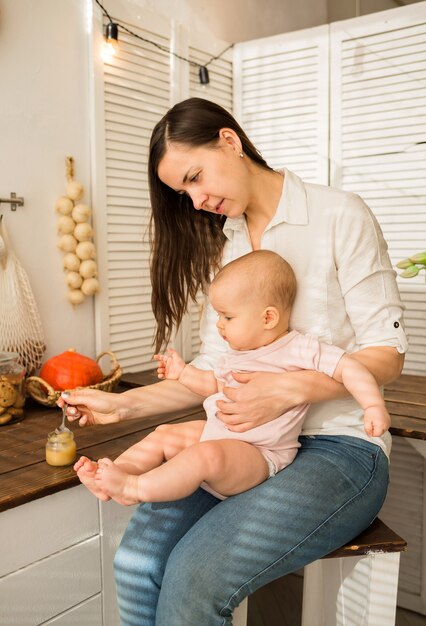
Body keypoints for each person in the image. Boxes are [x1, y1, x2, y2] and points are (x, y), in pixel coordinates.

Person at [60, 97, 407, 626]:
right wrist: (121, 406)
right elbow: (214, 369)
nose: (197, 201)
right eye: (185, 193)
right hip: (237, 441)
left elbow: (387, 353)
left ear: (229, 140)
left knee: (194, 578)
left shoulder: (340, 214)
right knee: (137, 564)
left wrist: (290, 391)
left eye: (196, 177)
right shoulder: (229, 247)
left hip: (342, 448)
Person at [76, 250, 391, 505]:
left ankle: (135, 488)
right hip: (220, 436)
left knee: (205, 455)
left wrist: (373, 405)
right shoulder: (237, 353)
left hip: (258, 454)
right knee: (165, 434)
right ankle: (116, 475)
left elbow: (350, 368)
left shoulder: (299, 348)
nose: (219, 326)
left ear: (268, 317)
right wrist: (184, 373)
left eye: (227, 317)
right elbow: (213, 386)